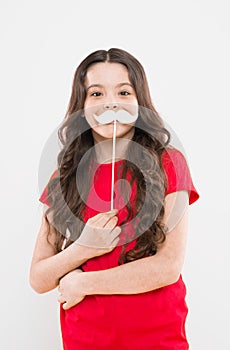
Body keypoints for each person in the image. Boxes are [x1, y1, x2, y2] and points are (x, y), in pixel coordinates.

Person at [30, 48, 199, 350]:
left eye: (123, 91)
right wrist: (83, 248)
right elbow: (39, 278)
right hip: (85, 338)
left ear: (139, 102)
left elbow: (168, 266)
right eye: (96, 94)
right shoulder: (63, 179)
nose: (111, 103)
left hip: (158, 337)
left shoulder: (169, 164)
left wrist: (85, 283)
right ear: (81, 107)